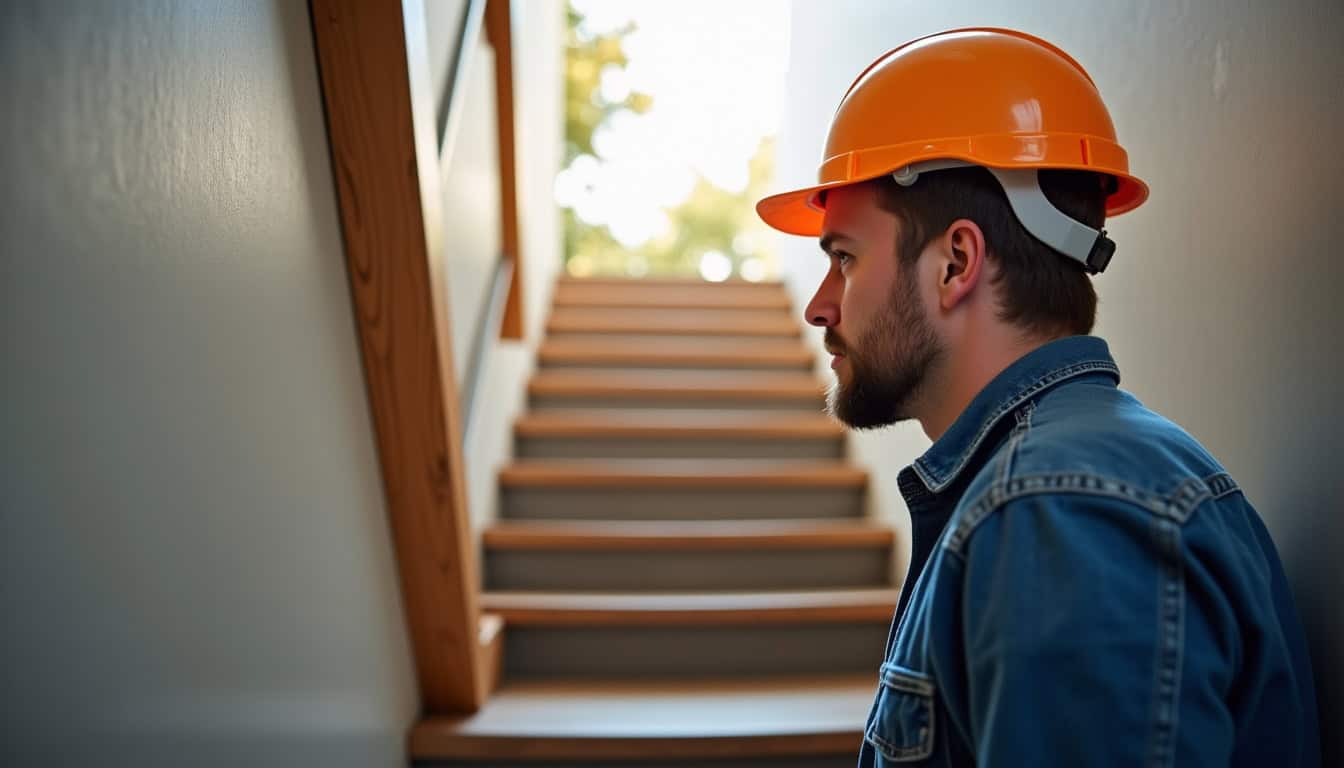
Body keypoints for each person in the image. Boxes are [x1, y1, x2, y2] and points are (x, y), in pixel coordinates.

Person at [756, 28, 1320, 767]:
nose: (820, 307)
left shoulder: (1060, 511)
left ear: (956, 262)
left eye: (845, 259)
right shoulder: (1063, 486)